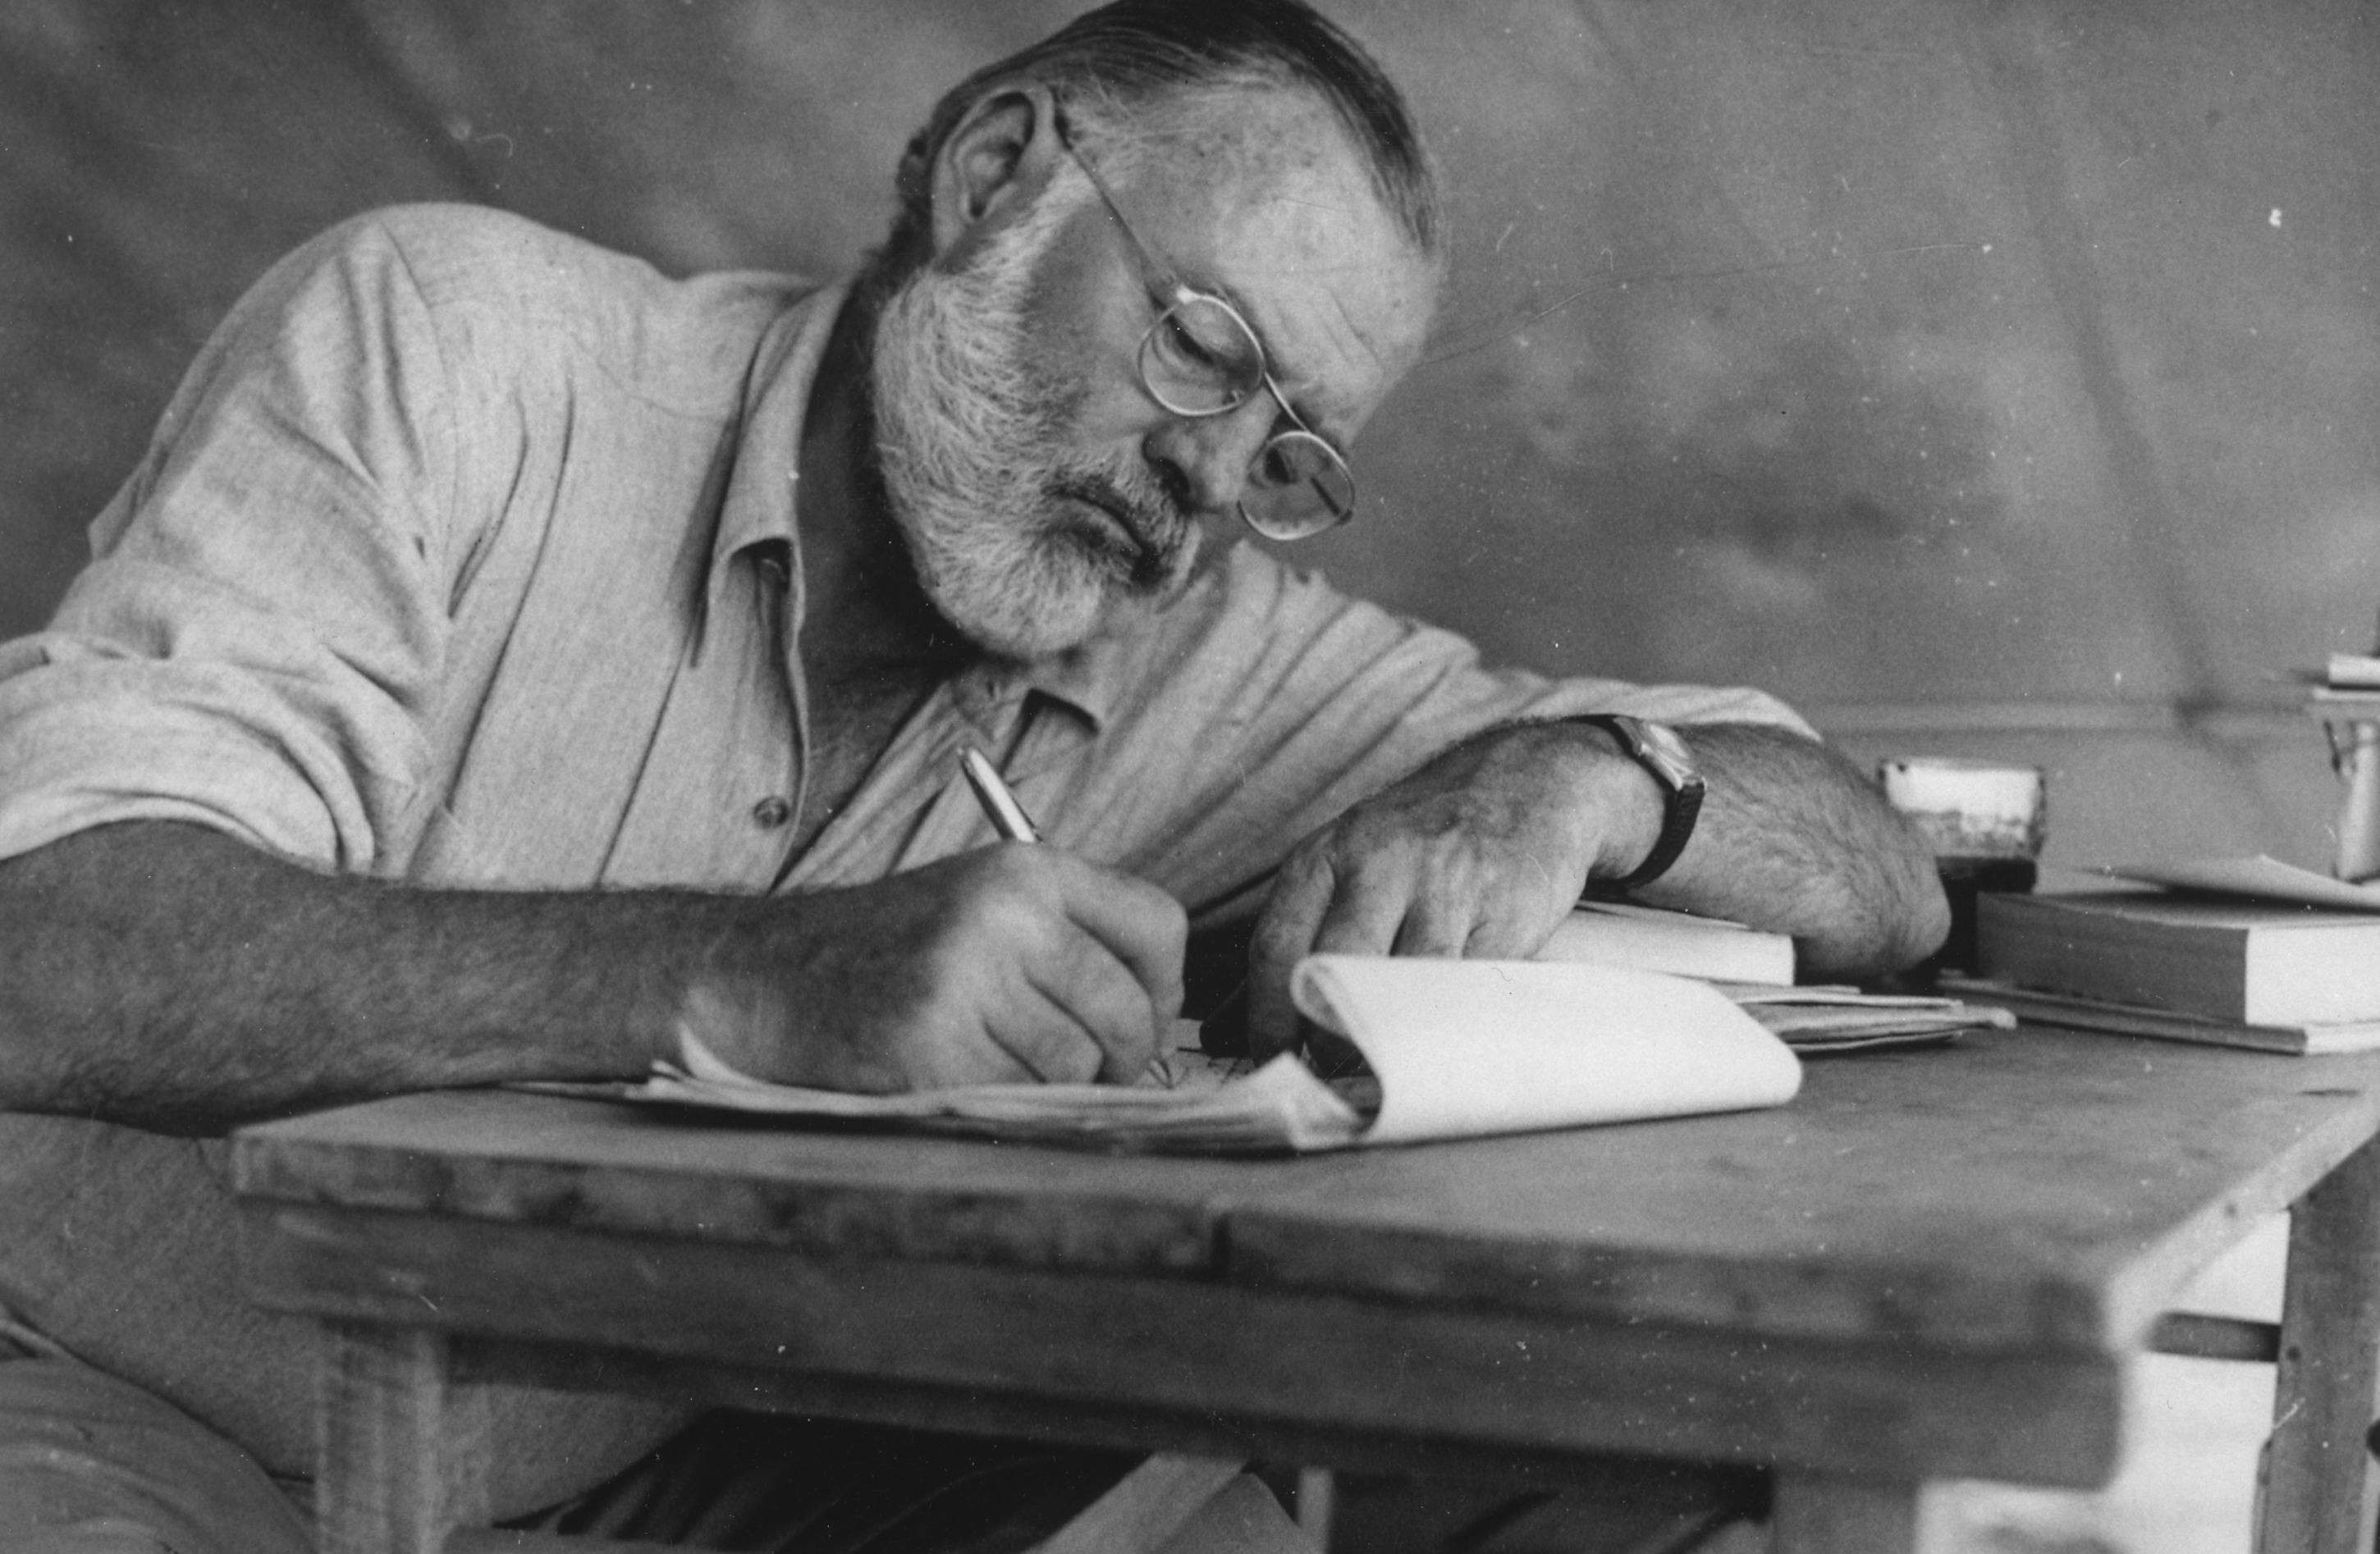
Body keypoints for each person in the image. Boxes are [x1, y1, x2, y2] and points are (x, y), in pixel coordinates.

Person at [0, 2, 1948, 1549]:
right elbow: (50, 945)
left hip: (648, 1461)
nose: (1208, 478)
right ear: (993, 172)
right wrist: (751, 982)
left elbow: (1885, 875)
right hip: (102, 1390)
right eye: (1204, 348)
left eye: (1290, 453)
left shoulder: (1196, 643)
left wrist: (1590, 773)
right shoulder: (450, 345)